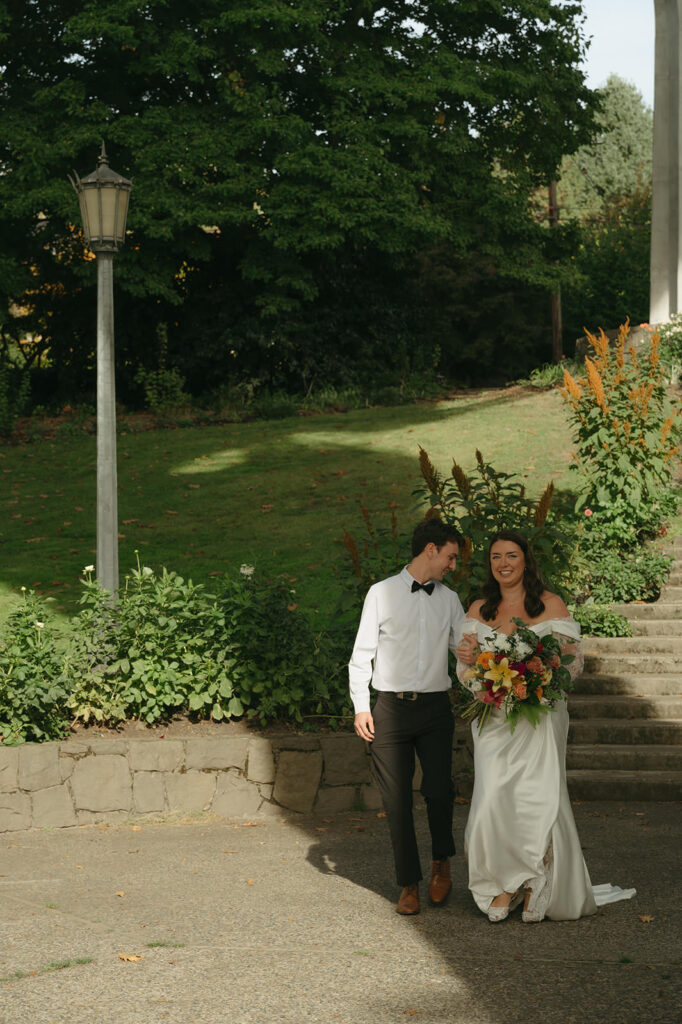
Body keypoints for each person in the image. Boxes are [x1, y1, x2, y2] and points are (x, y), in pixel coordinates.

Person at [455, 529, 634, 922]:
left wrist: (537, 685)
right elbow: (465, 664)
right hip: (495, 719)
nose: (503, 564)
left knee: (536, 799)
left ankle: (536, 879)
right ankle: (503, 881)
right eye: (496, 557)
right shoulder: (479, 608)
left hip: (540, 717)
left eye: (512, 556)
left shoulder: (551, 604)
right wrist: (482, 682)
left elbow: (573, 660)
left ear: (526, 561)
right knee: (491, 801)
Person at [349, 519, 465, 915]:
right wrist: (361, 706)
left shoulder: (450, 600)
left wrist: (485, 672)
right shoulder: (380, 593)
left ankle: (441, 864)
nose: (453, 565)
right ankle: (408, 883)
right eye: (450, 556)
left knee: (438, 791)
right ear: (430, 550)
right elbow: (361, 654)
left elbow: (464, 653)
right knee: (396, 801)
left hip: (435, 708)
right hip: (389, 711)